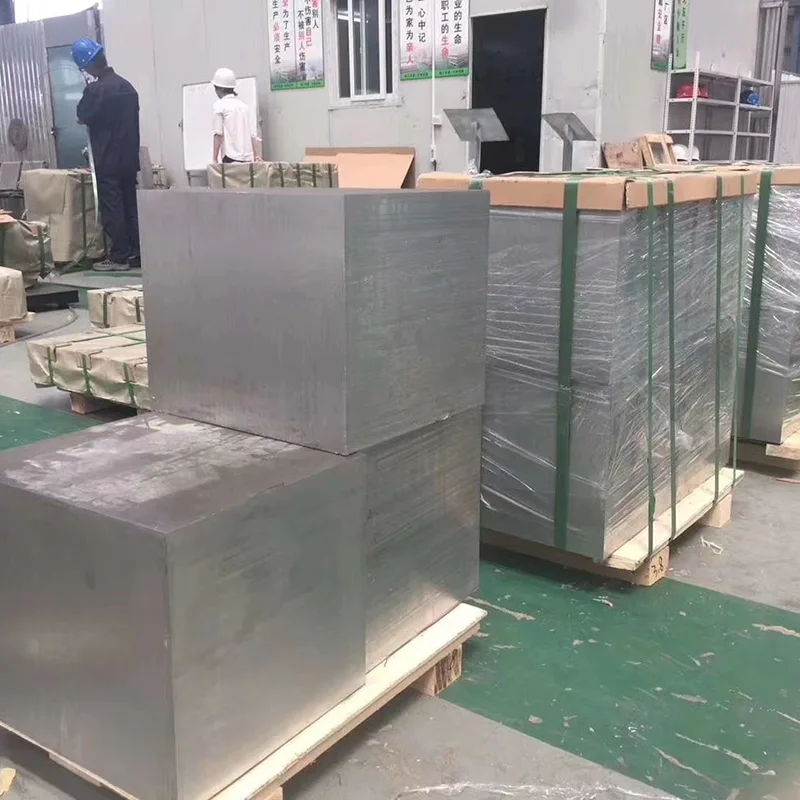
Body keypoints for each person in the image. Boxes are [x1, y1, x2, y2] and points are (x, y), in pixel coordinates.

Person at [73, 38, 140, 271]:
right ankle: (136, 252)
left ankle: (119, 256)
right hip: (129, 159)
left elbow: (82, 115)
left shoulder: (96, 90)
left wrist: (88, 89)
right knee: (130, 205)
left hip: (107, 159)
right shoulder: (127, 87)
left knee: (113, 207)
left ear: (89, 66)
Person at [211, 68, 260, 164]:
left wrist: (214, 159)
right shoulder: (244, 107)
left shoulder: (219, 106)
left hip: (230, 158)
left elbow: (218, 134)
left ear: (220, 88)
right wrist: (257, 156)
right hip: (247, 159)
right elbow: (253, 135)